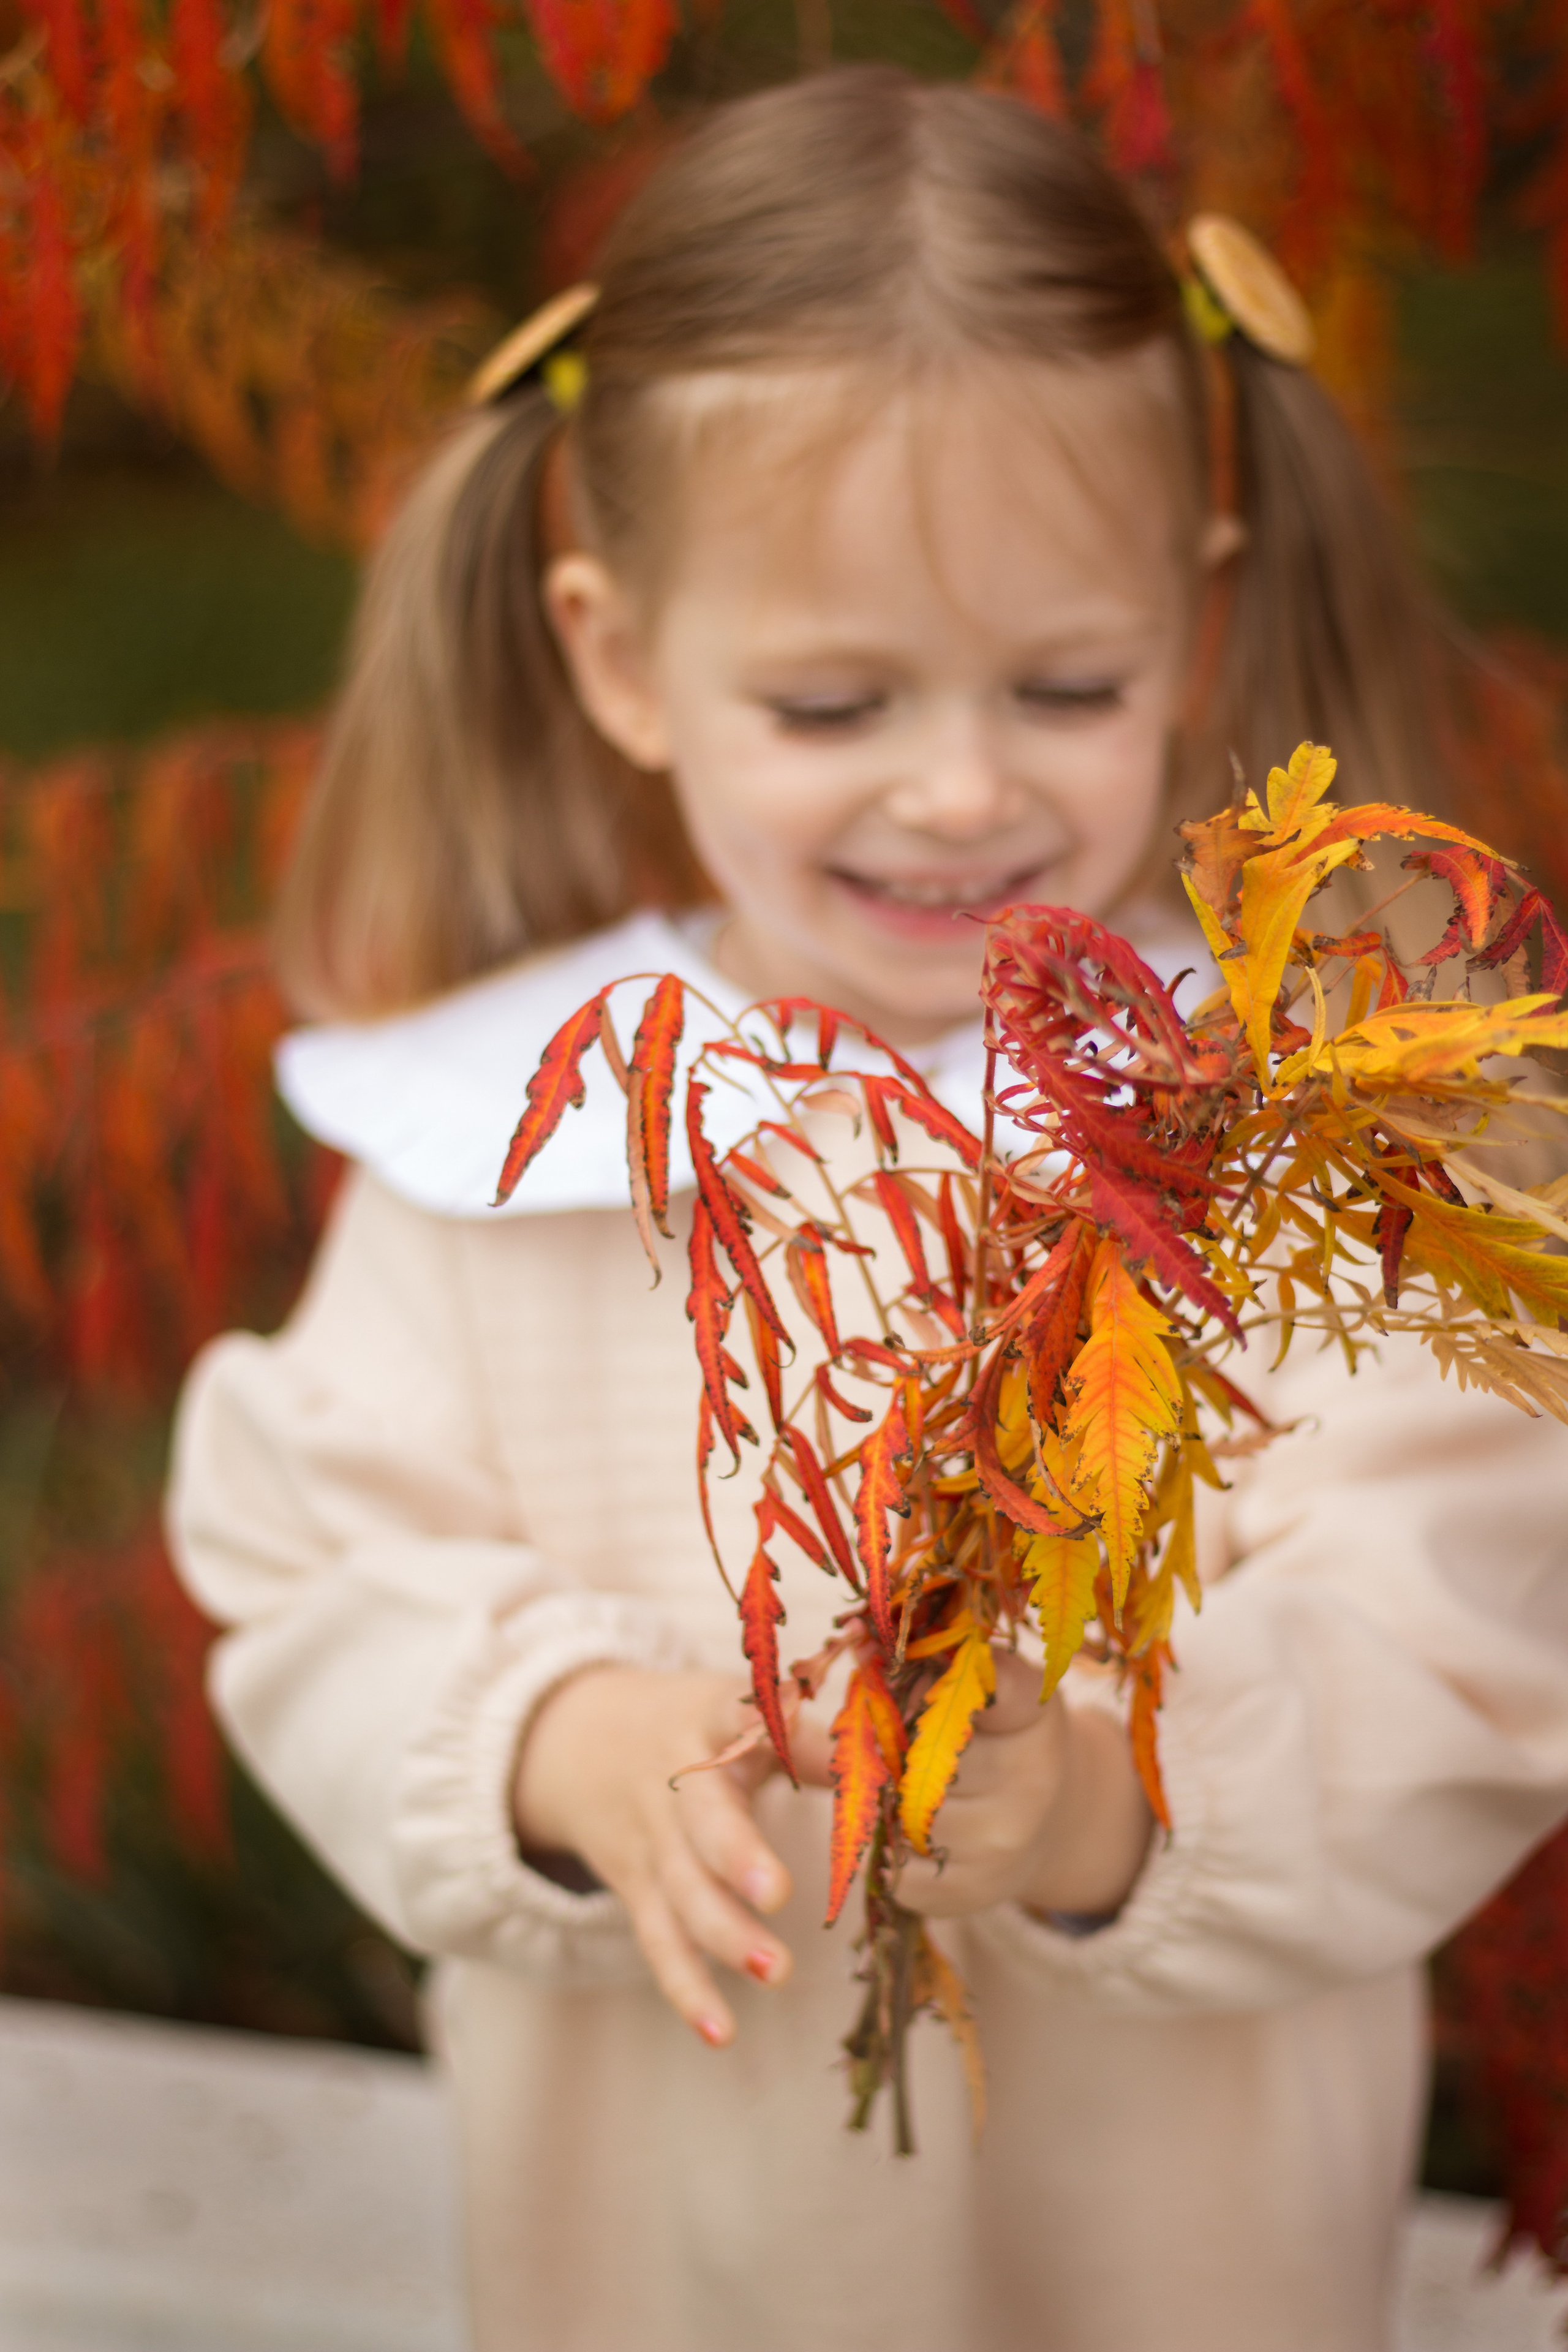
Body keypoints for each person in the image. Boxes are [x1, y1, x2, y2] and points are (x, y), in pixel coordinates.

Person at [167, 67, 1568, 2352]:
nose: (957, 783)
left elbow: (1470, 1621)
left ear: (1194, 633)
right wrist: (555, 1745)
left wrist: (1110, 1799)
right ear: (621, 659)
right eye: (831, 701)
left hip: (1174, 2268)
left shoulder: (1301, 1142)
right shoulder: (505, 1150)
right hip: (671, 2267)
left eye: (1066, 684)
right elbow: (320, 1568)